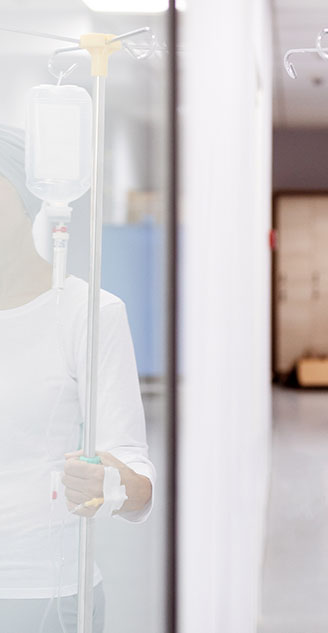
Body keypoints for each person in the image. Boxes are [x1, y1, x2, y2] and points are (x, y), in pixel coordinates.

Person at [0, 126, 155, 633]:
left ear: (28, 203)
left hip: (44, 595)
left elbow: (138, 485)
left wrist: (104, 482)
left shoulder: (88, 313)